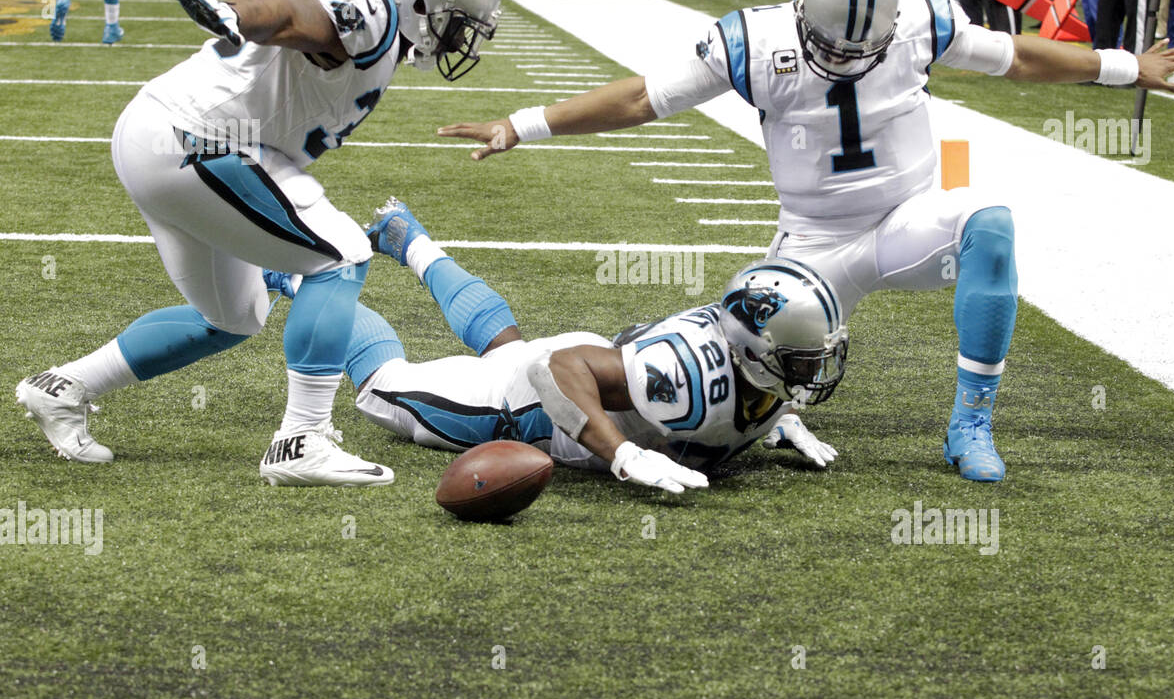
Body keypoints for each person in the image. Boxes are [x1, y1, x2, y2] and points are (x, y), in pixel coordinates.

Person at [437, 0, 1174, 483]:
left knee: (990, 224)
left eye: (860, 47)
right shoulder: (751, 39)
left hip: (907, 220)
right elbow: (643, 97)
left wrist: (1127, 66)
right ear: (801, 9)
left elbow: (1020, 57)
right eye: (832, 44)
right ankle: (541, 409)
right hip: (810, 247)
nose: (845, 59)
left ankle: (971, 421)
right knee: (716, 392)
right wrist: (523, 124)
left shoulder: (917, 19)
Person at [15, 0, 502, 487]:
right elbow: (293, 14)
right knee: (342, 253)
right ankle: (302, 439)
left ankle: (63, 388)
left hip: (155, 132)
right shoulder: (375, 8)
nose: (457, 38)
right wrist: (236, 15)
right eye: (458, 20)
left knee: (234, 314)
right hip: (202, 142)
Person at [263, 200, 847, 494]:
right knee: (384, 384)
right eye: (800, 358)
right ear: (751, 351)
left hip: (605, 370)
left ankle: (406, 238)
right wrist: (623, 454)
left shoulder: (747, 363)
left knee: (507, 346)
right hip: (528, 404)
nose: (813, 367)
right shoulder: (691, 374)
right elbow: (555, 369)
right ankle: (297, 278)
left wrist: (778, 417)